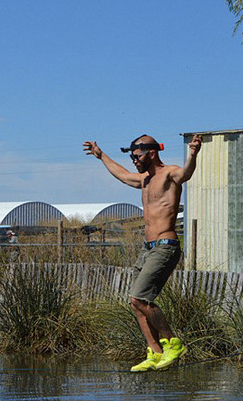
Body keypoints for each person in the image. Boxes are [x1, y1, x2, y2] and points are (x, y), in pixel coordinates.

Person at [82, 133, 203, 372]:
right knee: (134, 303)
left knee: (140, 298)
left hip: (165, 246)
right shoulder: (144, 180)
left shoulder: (169, 174)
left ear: (152, 153)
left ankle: (173, 343)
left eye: (137, 156)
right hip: (147, 249)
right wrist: (101, 155)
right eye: (132, 157)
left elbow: (186, 174)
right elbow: (122, 175)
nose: (134, 161)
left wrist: (193, 154)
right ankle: (155, 352)